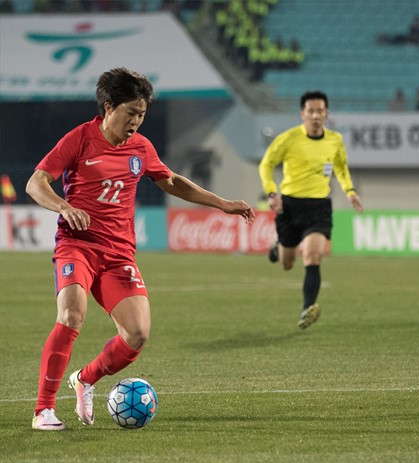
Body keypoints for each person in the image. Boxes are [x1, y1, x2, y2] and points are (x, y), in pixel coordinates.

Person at [27, 67, 255, 430]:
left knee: (137, 335)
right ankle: (44, 410)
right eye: (130, 112)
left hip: (119, 254)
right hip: (78, 245)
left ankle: (85, 379)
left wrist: (222, 203)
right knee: (71, 314)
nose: (136, 121)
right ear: (108, 106)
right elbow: (36, 182)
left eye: (142, 115)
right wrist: (64, 207)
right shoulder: (80, 139)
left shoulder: (141, 148)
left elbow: (172, 181)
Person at [258, 91, 363, 329]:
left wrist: (350, 191)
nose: (316, 116)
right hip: (290, 206)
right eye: (311, 111)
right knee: (286, 264)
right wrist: (272, 193)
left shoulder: (335, 140)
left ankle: (308, 308)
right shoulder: (288, 139)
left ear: (326, 114)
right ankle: (278, 246)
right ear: (302, 114)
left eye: (320, 111)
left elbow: (340, 167)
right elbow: (266, 164)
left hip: (318, 207)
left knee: (313, 256)